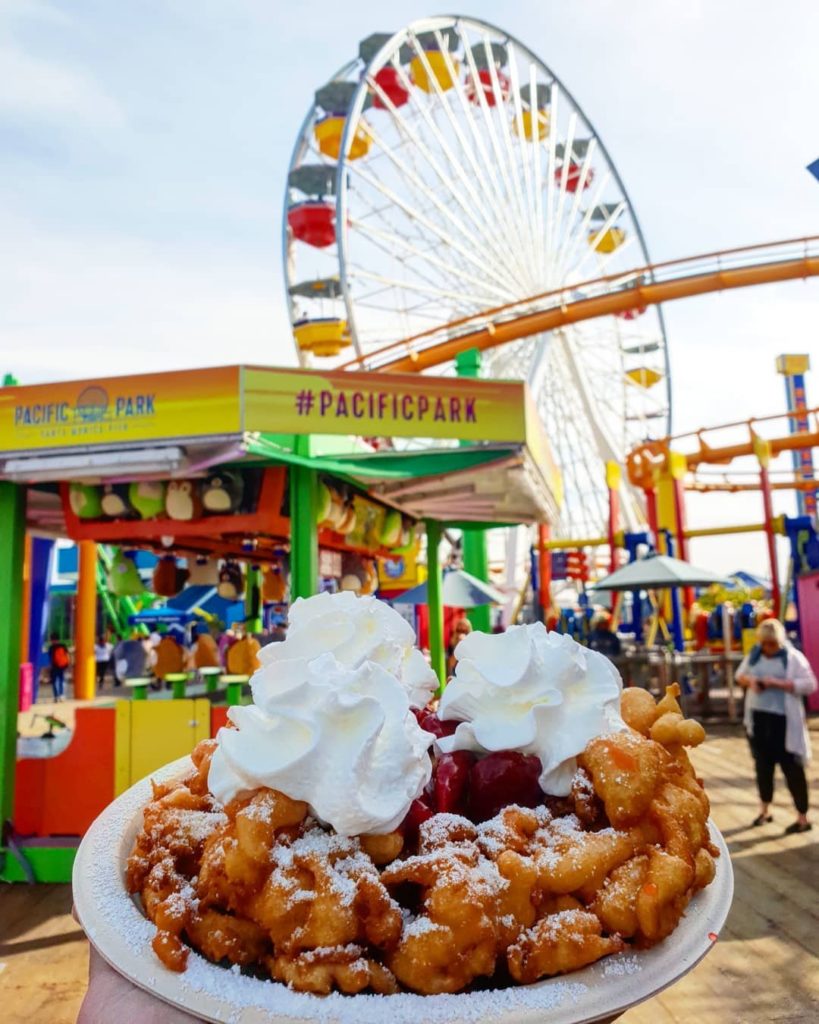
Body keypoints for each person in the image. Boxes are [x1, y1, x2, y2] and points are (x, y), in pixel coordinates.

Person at [736, 618, 816, 834]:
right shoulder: (754, 655)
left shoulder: (792, 658)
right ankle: (765, 810)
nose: (767, 648)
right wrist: (751, 681)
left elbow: (810, 684)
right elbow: (739, 676)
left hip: (783, 723)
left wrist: (778, 683)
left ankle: (802, 816)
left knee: (793, 770)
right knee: (763, 768)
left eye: (771, 644)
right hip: (759, 721)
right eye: (764, 643)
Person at [47, 632, 69, 702]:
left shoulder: (51, 647)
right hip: (62, 666)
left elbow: (50, 658)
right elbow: (67, 655)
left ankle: (56, 696)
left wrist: (49, 667)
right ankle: (61, 695)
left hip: (54, 666)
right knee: (61, 680)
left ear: (52, 640)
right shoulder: (63, 645)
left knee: (54, 681)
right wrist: (67, 664)